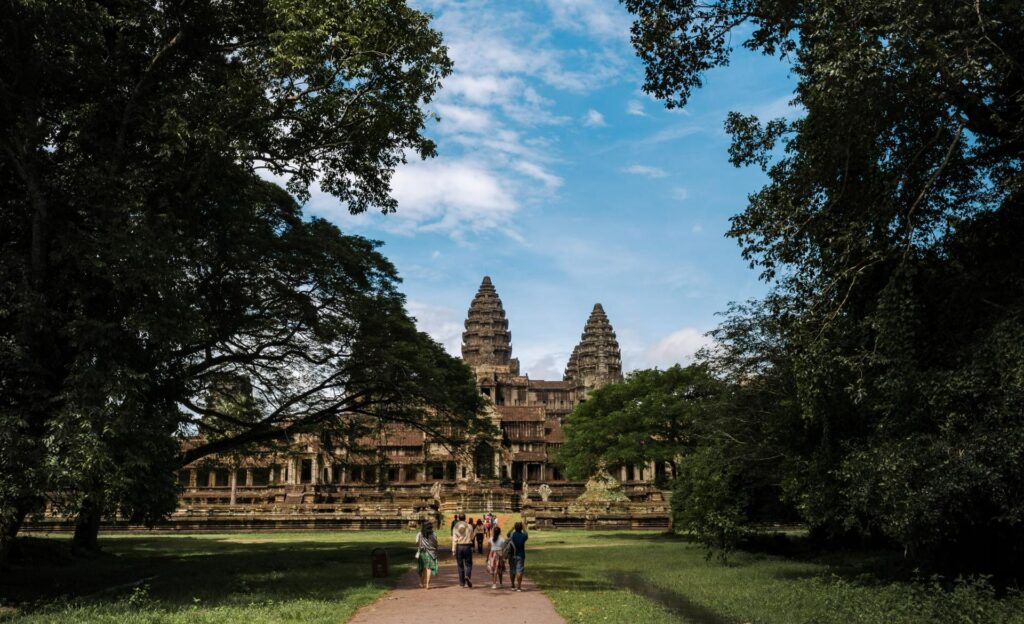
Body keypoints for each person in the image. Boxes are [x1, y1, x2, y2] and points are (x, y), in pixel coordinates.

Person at [451, 513, 475, 588]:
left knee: (460, 565)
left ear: (458, 518)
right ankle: (467, 575)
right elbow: (472, 537)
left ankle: (462, 583)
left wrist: (453, 550)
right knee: (469, 563)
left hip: (459, 546)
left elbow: (454, 539)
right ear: (465, 518)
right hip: (467, 546)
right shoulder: (470, 526)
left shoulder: (456, 526)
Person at [415, 522, 439, 590]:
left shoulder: (420, 534)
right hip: (431, 552)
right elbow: (436, 543)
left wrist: (420, 547)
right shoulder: (434, 534)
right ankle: (427, 584)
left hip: (422, 552)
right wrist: (436, 550)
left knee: (423, 568)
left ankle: (422, 583)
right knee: (429, 568)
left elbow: (417, 542)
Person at [507, 521, 528, 591]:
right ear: (521, 528)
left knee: (512, 570)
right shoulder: (523, 536)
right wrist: (524, 527)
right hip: (520, 555)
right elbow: (526, 534)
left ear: (515, 528)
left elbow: (507, 533)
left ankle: (512, 585)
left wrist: (513, 527)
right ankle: (519, 586)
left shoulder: (512, 535)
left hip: (512, 555)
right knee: (519, 571)